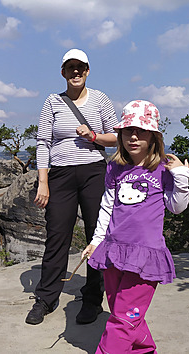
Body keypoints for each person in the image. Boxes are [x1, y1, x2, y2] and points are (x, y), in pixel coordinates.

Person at [81, 100, 189, 353]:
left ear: (153, 136)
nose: (133, 137)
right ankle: (143, 350)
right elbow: (107, 207)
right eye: (128, 131)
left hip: (146, 254)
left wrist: (181, 179)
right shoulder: (115, 168)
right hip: (114, 250)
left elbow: (177, 207)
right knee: (124, 312)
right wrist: (96, 241)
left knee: (122, 319)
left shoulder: (163, 168)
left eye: (141, 131)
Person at [26, 48, 118, 325]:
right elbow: (43, 143)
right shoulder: (52, 102)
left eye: (81, 67)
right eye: (70, 67)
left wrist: (93, 135)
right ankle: (46, 297)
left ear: (88, 71)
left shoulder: (100, 99)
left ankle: (92, 299)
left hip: (93, 172)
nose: (76, 72)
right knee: (57, 236)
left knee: (96, 235)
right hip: (61, 175)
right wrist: (43, 182)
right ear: (63, 72)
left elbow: (116, 137)